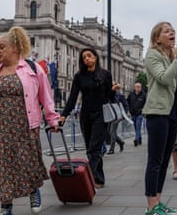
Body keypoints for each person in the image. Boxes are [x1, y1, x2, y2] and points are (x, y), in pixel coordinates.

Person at [0, 26, 59, 215]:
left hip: (25, 124)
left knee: (28, 162)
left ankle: (33, 190)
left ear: (15, 48)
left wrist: (52, 119)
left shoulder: (33, 69)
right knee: (2, 167)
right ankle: (5, 208)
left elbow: (46, 97)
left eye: (2, 47)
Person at [143, 21, 177, 215]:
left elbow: (171, 86)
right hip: (157, 113)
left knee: (165, 160)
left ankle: (158, 201)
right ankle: (151, 207)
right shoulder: (153, 55)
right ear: (157, 37)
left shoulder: (168, 58)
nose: (172, 33)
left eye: (173, 30)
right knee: (155, 161)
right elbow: (163, 79)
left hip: (171, 112)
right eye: (167, 31)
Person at [60, 47, 114, 189]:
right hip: (85, 115)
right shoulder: (79, 76)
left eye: (89, 56)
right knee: (91, 147)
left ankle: (86, 177)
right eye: (84, 58)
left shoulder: (105, 74)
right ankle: (99, 179)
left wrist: (115, 90)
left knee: (94, 149)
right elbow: (72, 98)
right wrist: (63, 115)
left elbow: (110, 96)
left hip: (101, 114)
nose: (87, 59)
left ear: (95, 57)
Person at [108, 82, 128, 155]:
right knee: (110, 132)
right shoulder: (108, 94)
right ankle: (121, 142)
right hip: (109, 115)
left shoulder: (120, 95)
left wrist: (124, 114)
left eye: (113, 86)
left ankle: (112, 149)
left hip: (117, 115)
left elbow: (125, 105)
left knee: (112, 131)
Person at [127, 82, 146, 147]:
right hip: (132, 114)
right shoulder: (131, 94)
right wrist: (128, 111)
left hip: (140, 114)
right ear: (134, 87)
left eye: (139, 87)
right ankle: (139, 139)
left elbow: (146, 104)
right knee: (136, 127)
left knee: (138, 126)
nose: (138, 88)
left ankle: (136, 140)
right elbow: (127, 103)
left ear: (141, 87)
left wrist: (144, 110)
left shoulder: (144, 95)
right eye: (137, 87)